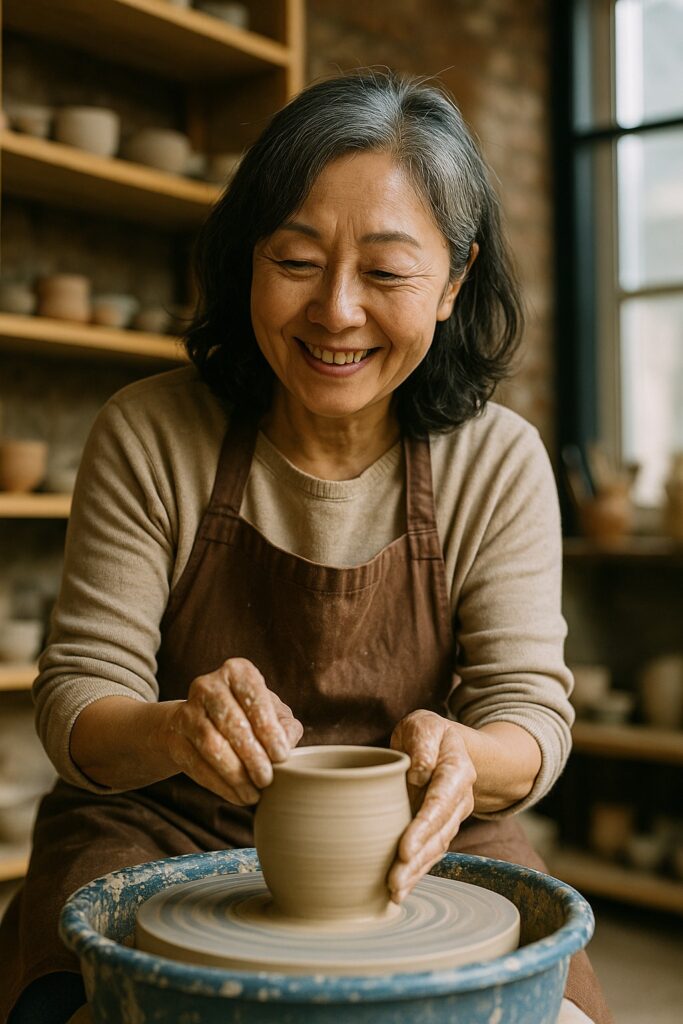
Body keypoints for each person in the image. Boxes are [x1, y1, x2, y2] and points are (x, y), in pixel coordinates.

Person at [0, 70, 611, 1024]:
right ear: (248, 259)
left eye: (385, 272)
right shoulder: (151, 431)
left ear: (452, 282)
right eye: (294, 261)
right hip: (160, 823)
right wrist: (171, 729)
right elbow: (78, 697)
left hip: (419, 842)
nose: (334, 311)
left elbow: (528, 713)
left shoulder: (497, 459)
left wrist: (468, 758)